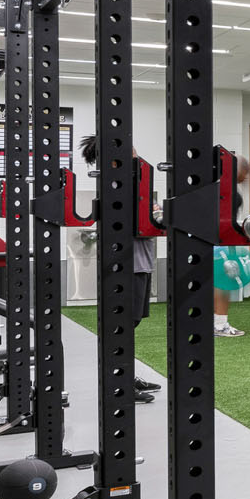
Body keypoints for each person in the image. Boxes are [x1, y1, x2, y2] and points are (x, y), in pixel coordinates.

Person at [78, 134, 159, 405]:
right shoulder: (117, 186)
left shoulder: (130, 183)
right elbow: (136, 223)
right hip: (127, 266)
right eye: (130, 148)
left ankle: (126, 375)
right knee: (121, 326)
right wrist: (155, 215)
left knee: (129, 325)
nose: (136, 151)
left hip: (139, 263)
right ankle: (119, 382)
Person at [214, 154, 250, 337]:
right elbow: (228, 224)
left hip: (208, 243)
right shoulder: (231, 194)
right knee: (223, 284)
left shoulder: (212, 188)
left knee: (214, 285)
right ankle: (220, 325)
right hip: (220, 244)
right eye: (245, 170)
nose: (246, 176)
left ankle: (214, 323)